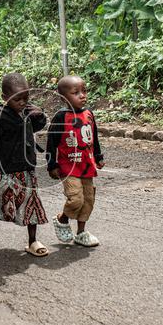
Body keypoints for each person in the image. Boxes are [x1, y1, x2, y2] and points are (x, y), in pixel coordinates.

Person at [0, 73, 49, 256]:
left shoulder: (28, 113)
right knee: (2, 205)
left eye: (26, 98)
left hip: (26, 168)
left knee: (31, 205)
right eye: (17, 99)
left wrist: (37, 112)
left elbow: (39, 124)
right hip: (6, 170)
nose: (22, 102)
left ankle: (32, 241)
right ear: (4, 98)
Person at [46, 75, 104, 247]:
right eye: (76, 92)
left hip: (87, 165)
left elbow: (94, 137)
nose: (82, 95)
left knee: (88, 199)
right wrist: (52, 165)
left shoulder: (88, 114)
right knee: (75, 199)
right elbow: (51, 143)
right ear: (64, 98)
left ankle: (81, 232)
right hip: (68, 167)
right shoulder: (60, 117)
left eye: (84, 91)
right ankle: (62, 219)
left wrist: (99, 157)